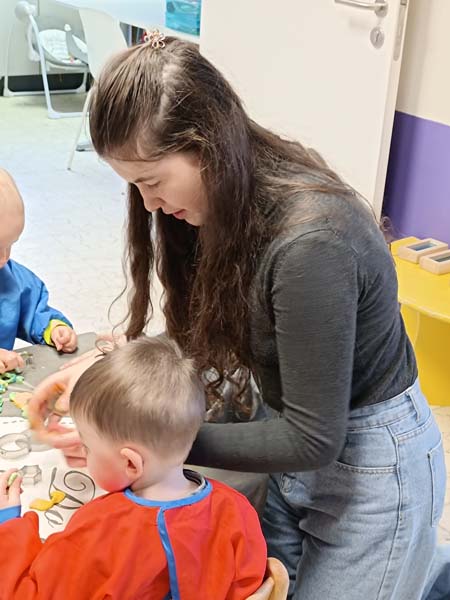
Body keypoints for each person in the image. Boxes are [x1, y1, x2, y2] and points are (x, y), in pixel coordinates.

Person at [28, 32, 450, 599]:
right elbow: (199, 335)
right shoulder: (220, 204)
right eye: (135, 187)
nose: (150, 205)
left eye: (152, 182)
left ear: (207, 146)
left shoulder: (311, 243)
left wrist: (149, 443)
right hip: (299, 446)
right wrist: (107, 384)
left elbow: (310, 438)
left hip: (371, 464)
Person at [0, 337, 266, 599]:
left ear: (130, 463)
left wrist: (9, 526)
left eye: (87, 447)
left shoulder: (99, 530)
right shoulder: (237, 508)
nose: (82, 453)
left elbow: (25, 593)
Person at [0, 169, 77, 373]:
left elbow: (33, 311)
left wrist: (53, 328)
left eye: (9, 245)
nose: (3, 258)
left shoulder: (10, 278)